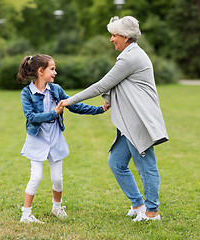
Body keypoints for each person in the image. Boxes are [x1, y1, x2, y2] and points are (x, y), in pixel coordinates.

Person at [60, 16, 168, 222]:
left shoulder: (131, 57)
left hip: (139, 119)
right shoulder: (130, 54)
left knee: (146, 166)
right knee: (116, 162)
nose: (111, 39)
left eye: (114, 35)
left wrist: (69, 101)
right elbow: (120, 84)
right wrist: (110, 99)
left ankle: (152, 213)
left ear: (126, 37)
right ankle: (139, 205)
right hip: (129, 120)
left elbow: (102, 85)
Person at [17, 54, 108, 223]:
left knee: (57, 178)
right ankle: (26, 214)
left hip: (55, 139)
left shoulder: (56, 90)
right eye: (52, 69)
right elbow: (31, 117)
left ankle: (57, 208)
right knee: (36, 176)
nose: (55, 72)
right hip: (37, 139)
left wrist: (99, 109)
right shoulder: (27, 93)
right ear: (40, 71)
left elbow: (74, 105)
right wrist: (54, 113)